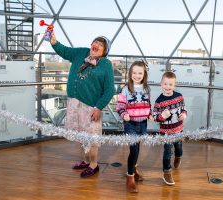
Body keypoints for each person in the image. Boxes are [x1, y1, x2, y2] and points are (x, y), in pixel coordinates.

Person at [49, 32, 115, 178]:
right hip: (74, 103)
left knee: (92, 138)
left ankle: (93, 165)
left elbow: (110, 90)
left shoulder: (105, 64)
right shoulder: (81, 53)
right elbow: (64, 51)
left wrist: (99, 107)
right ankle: (85, 161)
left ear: (105, 51)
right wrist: (54, 41)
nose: (96, 45)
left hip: (91, 107)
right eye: (95, 42)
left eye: (101, 44)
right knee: (82, 135)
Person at [116, 61, 154, 193]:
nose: (137, 75)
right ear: (130, 73)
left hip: (143, 123)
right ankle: (130, 176)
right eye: (134, 73)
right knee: (134, 150)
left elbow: (148, 105)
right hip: (130, 123)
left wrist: (150, 114)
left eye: (140, 73)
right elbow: (119, 107)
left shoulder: (147, 89)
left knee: (138, 148)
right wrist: (124, 114)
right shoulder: (126, 89)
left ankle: (134, 168)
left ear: (144, 74)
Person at [153, 71, 187, 186]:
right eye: (165, 84)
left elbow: (183, 109)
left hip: (178, 129)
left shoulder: (179, 97)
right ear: (161, 84)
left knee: (179, 148)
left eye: (170, 84)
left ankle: (178, 156)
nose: (168, 87)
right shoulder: (159, 101)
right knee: (167, 152)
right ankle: (167, 172)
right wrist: (162, 116)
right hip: (165, 132)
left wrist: (184, 115)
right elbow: (155, 116)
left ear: (174, 85)